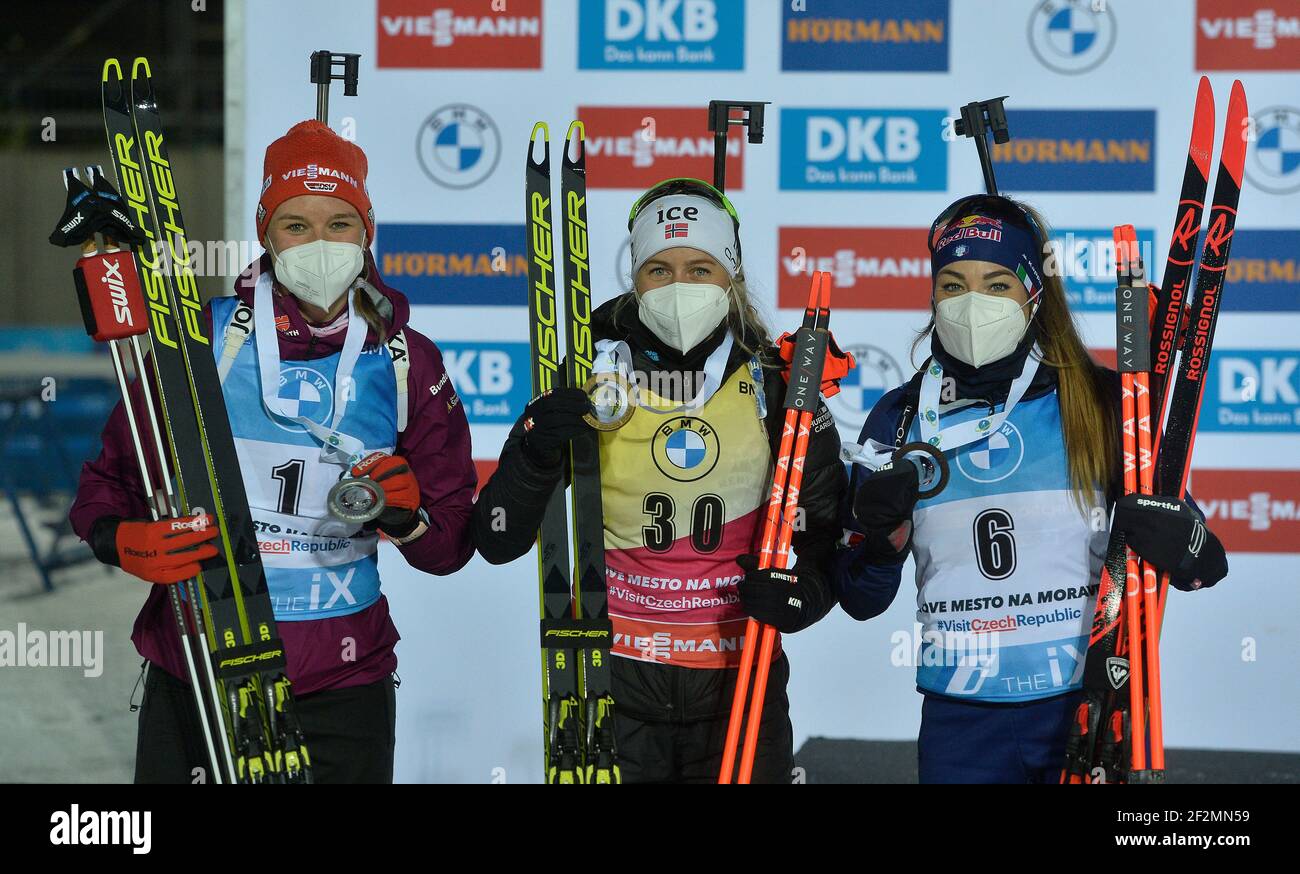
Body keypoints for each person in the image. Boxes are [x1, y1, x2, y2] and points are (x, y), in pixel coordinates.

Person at [69, 119, 477, 783]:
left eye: (340, 224)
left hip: (343, 680)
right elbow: (107, 481)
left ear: (366, 232)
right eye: (296, 225)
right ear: (265, 232)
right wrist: (125, 540)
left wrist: (408, 517)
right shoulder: (201, 341)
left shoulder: (405, 361)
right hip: (200, 661)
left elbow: (451, 544)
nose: (320, 244)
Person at [836, 194, 1229, 784]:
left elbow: (1203, 565)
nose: (972, 304)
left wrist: (1183, 537)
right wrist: (877, 543)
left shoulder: (1100, 404)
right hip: (958, 721)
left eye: (997, 285)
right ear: (932, 295)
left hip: (1086, 710)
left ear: (1033, 295)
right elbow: (861, 599)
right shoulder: (898, 420)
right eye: (952, 284)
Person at [473, 177, 846, 783]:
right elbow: (497, 537)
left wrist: (803, 592)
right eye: (659, 270)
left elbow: (827, 533)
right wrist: (535, 450)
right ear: (636, 279)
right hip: (611, 688)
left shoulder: (777, 384)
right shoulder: (591, 371)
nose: (679, 288)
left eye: (701, 269)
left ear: (732, 279)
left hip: (739, 687)